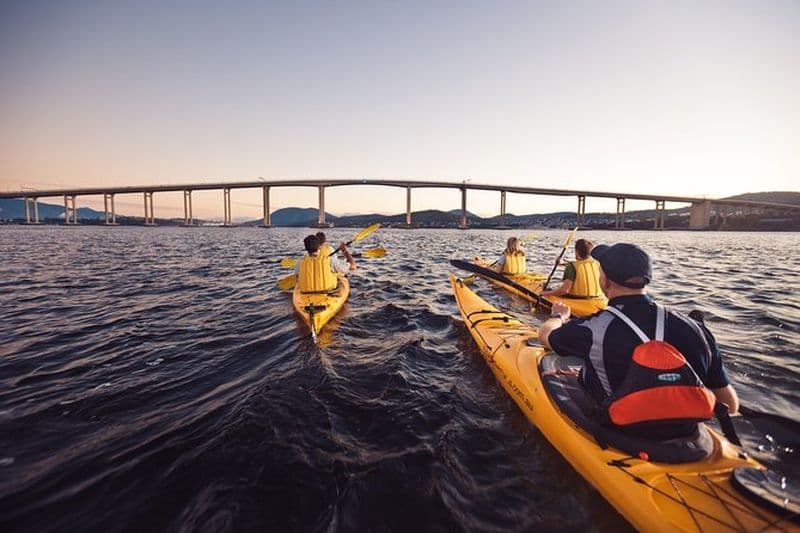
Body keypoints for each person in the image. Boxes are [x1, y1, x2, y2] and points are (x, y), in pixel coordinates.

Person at [538, 242, 738, 434]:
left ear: (605, 281)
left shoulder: (593, 327)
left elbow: (545, 335)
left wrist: (559, 316)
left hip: (617, 427)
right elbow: (730, 405)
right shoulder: (694, 328)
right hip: (684, 431)